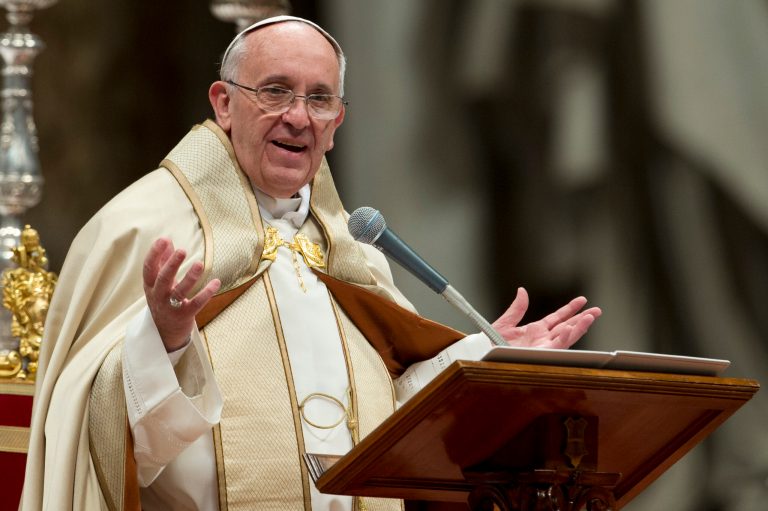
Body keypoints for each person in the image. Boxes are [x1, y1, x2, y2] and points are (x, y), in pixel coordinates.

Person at [21, 15, 601, 511]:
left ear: (337, 122)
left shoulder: (352, 253)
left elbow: (391, 414)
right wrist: (166, 341)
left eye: (319, 98)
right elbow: (99, 434)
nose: (298, 117)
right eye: (274, 91)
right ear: (224, 103)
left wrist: (483, 358)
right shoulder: (141, 225)